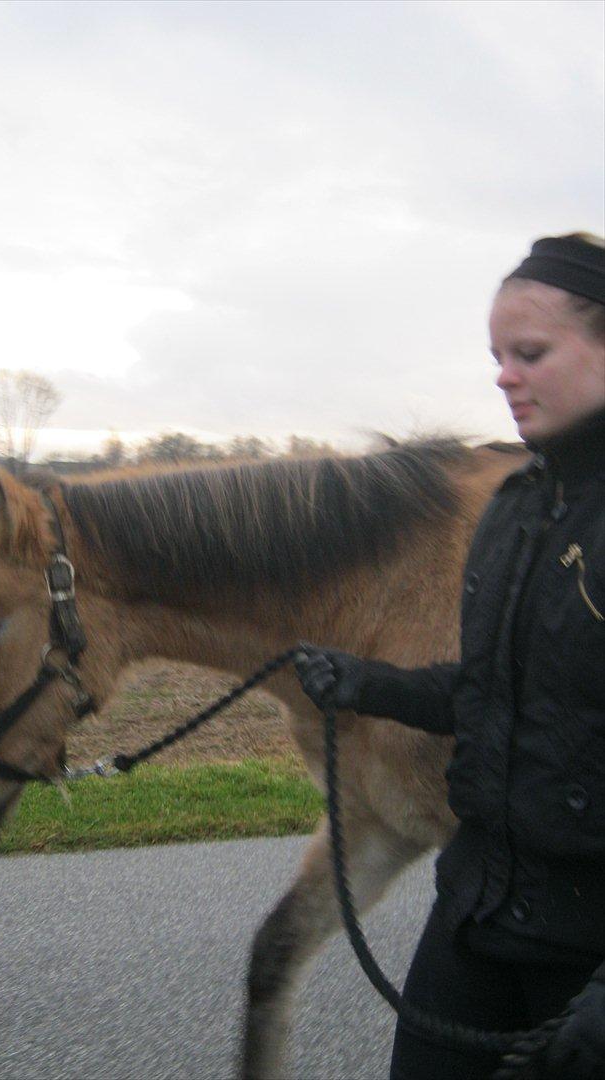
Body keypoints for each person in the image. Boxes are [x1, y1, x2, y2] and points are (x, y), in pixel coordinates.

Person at [295, 233, 605, 1080]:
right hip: (475, 910)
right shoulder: (513, 510)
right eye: (498, 355)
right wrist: (368, 684)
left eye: (530, 352)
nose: (505, 375)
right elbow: (490, 692)